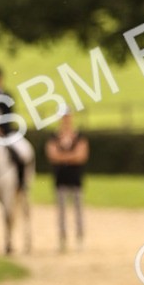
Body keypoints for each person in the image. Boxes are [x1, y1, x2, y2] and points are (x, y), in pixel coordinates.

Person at [45, 107, 89, 251]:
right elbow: (52, 156)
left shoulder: (79, 136)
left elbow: (81, 156)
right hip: (60, 179)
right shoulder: (54, 137)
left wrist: (62, 157)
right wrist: (72, 156)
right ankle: (62, 239)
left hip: (75, 179)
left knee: (78, 211)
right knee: (61, 212)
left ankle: (79, 238)